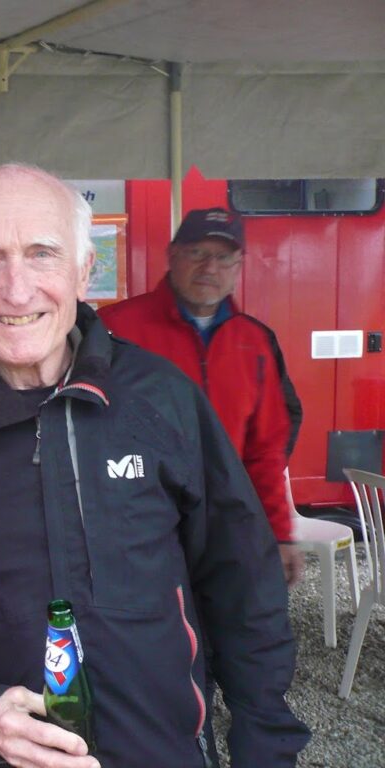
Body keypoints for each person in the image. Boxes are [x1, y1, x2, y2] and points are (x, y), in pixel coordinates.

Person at [0, 164, 309, 767]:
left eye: (42, 254)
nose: (18, 290)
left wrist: (266, 742)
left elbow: (241, 579)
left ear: (83, 271)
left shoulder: (162, 398)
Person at [98, 207, 305, 587]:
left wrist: (279, 532)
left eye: (224, 257)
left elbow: (266, 450)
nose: (210, 267)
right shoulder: (114, 329)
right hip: (139, 529)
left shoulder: (254, 342)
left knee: (235, 619)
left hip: (228, 527)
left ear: (239, 266)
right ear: (172, 255)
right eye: (197, 252)